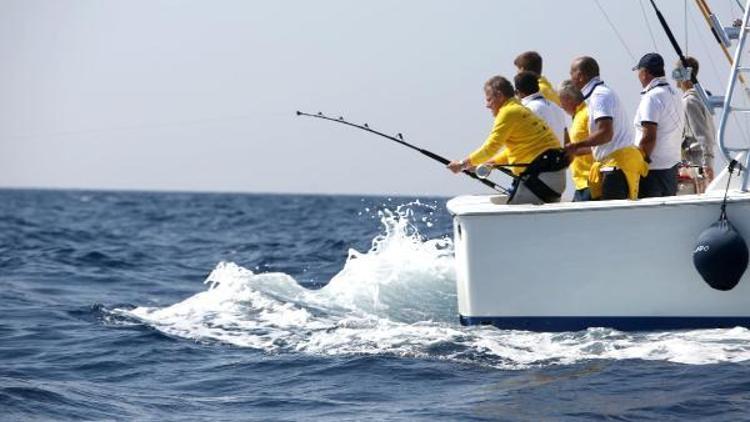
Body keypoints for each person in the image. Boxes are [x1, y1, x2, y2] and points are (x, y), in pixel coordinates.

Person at [447, 75, 566, 204]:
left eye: (489, 99)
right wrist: (491, 164)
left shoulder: (508, 112)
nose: (487, 105)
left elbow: (490, 147)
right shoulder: (520, 109)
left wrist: (462, 164)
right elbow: (518, 150)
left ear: (499, 95)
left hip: (541, 178)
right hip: (553, 177)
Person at [564, 56, 648, 200]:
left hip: (615, 169)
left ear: (580, 76)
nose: (570, 78)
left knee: (613, 219)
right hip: (614, 166)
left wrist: (576, 145)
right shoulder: (599, 94)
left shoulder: (599, 96)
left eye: (571, 73)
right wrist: (578, 150)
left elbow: (605, 133)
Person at [632, 53, 685, 198]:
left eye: (639, 72)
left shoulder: (652, 97)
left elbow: (649, 137)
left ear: (645, 73)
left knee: (649, 218)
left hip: (652, 172)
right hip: (671, 171)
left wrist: (637, 165)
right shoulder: (675, 94)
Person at [676, 56, 716, 186]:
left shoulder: (690, 101)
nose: (675, 77)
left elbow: (703, 136)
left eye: (677, 72)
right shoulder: (703, 98)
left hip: (696, 164)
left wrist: (707, 166)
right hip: (700, 162)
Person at [558, 79, 594, 201]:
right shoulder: (577, 116)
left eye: (561, 100)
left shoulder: (587, 113)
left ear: (568, 98)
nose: (561, 106)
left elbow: (602, 144)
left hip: (591, 182)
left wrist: (575, 151)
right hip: (580, 184)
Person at [514, 71, 567, 143]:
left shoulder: (528, 110)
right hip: (560, 152)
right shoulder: (556, 107)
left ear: (517, 92)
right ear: (538, 87)